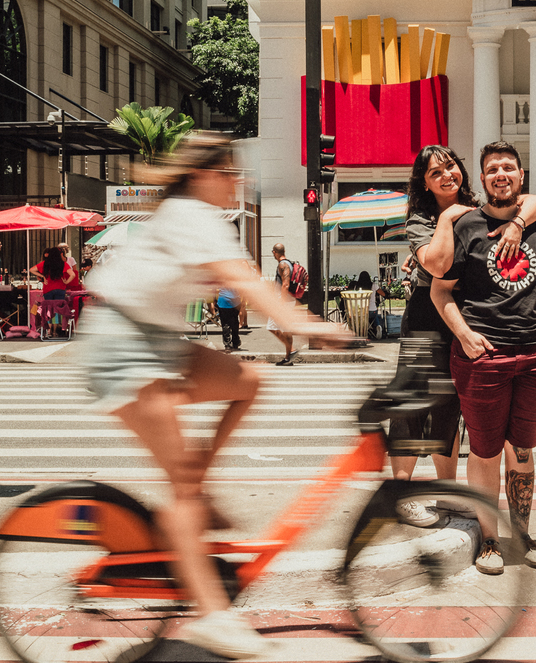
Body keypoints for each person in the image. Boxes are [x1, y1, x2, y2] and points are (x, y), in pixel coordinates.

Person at [80, 134, 346, 659]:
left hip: (156, 339)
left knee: (249, 381)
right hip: (121, 342)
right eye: (229, 173)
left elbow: (245, 279)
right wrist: (308, 325)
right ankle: (212, 617)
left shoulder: (206, 218)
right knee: (180, 486)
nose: (237, 182)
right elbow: (245, 282)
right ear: (203, 176)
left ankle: (195, 492)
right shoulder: (190, 214)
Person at [392, 144, 536, 528]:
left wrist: (516, 224)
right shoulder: (421, 219)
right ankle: (400, 494)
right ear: (425, 184)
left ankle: (447, 493)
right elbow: (437, 264)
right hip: (428, 317)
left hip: (466, 316)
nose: (447, 175)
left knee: (450, 409)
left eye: (450, 166)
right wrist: (448, 219)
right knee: (415, 407)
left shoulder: (477, 203)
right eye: (435, 173)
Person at [432, 140, 536, 576]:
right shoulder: (468, 225)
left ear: (521, 176)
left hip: (535, 355)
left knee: (522, 449)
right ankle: (489, 539)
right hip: (482, 358)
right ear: (483, 179)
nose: (501, 175)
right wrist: (464, 334)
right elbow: (440, 290)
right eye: (492, 169)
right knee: (486, 451)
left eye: (508, 167)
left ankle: (521, 535)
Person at [266, 243, 297, 365]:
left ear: (274, 252)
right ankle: (288, 358)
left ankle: (292, 349)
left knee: (271, 326)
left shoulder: (283, 264)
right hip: (289, 300)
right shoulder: (289, 263)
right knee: (286, 329)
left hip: (283, 301)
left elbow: (285, 285)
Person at [352, 270, 388, 337]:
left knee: (362, 318)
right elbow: (383, 294)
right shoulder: (373, 285)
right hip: (372, 311)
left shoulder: (356, 286)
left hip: (360, 311)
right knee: (375, 313)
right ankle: (377, 326)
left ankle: (363, 331)